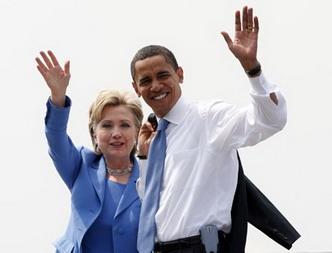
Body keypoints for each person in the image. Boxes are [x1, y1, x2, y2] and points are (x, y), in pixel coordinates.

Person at [132, 6, 288, 253]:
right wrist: (143, 158)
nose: (156, 86)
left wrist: (253, 69)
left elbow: (270, 121)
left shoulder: (208, 118)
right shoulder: (155, 139)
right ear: (136, 88)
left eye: (163, 75)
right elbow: (155, 205)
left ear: (180, 74)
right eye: (146, 81)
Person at [35, 50, 143, 253]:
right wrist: (58, 97)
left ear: (137, 131)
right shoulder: (80, 166)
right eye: (107, 125)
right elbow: (56, 138)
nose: (116, 133)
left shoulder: (151, 177)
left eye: (125, 125)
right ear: (94, 133)